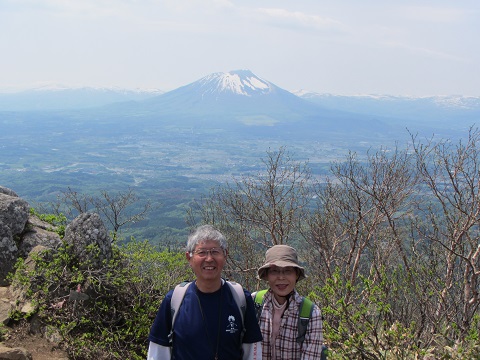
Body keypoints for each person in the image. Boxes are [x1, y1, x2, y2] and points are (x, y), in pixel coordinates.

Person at [147, 224, 263, 360]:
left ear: (225, 255)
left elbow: (252, 353)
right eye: (201, 252)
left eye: (215, 252)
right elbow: (158, 353)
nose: (209, 259)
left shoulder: (240, 298)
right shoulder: (174, 300)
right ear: (189, 257)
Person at [253, 244, 325, 360]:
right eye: (274, 271)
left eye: (288, 271)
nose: (281, 277)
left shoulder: (311, 313)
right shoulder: (253, 302)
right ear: (266, 275)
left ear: (296, 275)